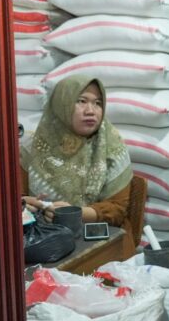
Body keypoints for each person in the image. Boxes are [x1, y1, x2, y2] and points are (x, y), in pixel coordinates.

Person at [21, 75, 134, 244]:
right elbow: (10, 199)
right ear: (61, 105)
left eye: (98, 103)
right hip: (42, 241)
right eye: (81, 101)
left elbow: (118, 209)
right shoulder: (32, 148)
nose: (91, 110)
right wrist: (27, 205)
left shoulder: (112, 148)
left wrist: (76, 213)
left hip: (101, 242)